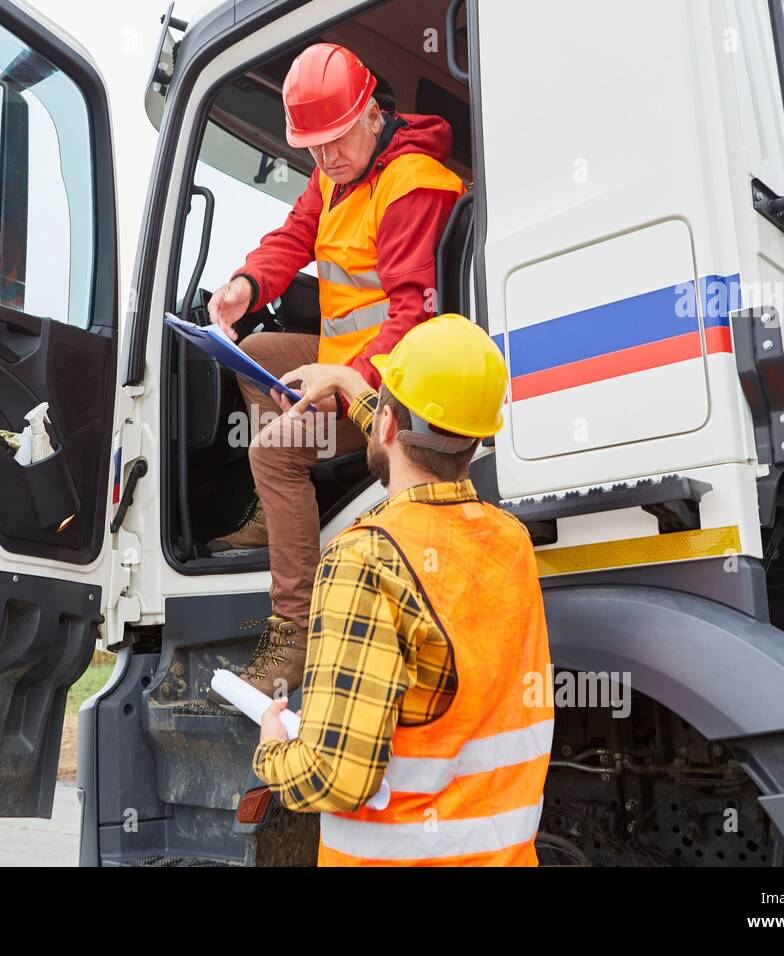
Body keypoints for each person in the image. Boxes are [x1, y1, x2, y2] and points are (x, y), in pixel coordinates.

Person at [206, 42, 464, 697]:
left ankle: (288, 644)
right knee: (256, 356)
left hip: (394, 387)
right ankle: (283, 509)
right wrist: (246, 285)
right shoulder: (334, 172)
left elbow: (412, 318)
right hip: (343, 369)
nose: (323, 160)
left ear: (372, 114)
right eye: (312, 147)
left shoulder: (412, 186)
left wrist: (342, 384)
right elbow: (292, 240)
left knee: (271, 451)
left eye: (335, 142)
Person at [251, 315, 553, 866]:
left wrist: (273, 746)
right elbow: (415, 434)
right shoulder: (510, 540)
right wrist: (348, 382)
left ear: (386, 425)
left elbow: (333, 776)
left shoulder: (364, 560)